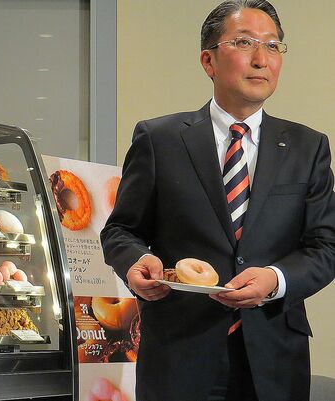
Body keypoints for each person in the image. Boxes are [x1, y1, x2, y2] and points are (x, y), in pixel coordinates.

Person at [101, 1, 335, 401]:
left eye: (272, 45)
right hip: (179, 354)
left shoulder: (308, 147)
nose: (261, 59)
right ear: (208, 61)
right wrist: (136, 261)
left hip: (274, 356)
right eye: (244, 43)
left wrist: (275, 279)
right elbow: (121, 230)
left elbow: (326, 246)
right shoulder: (160, 139)